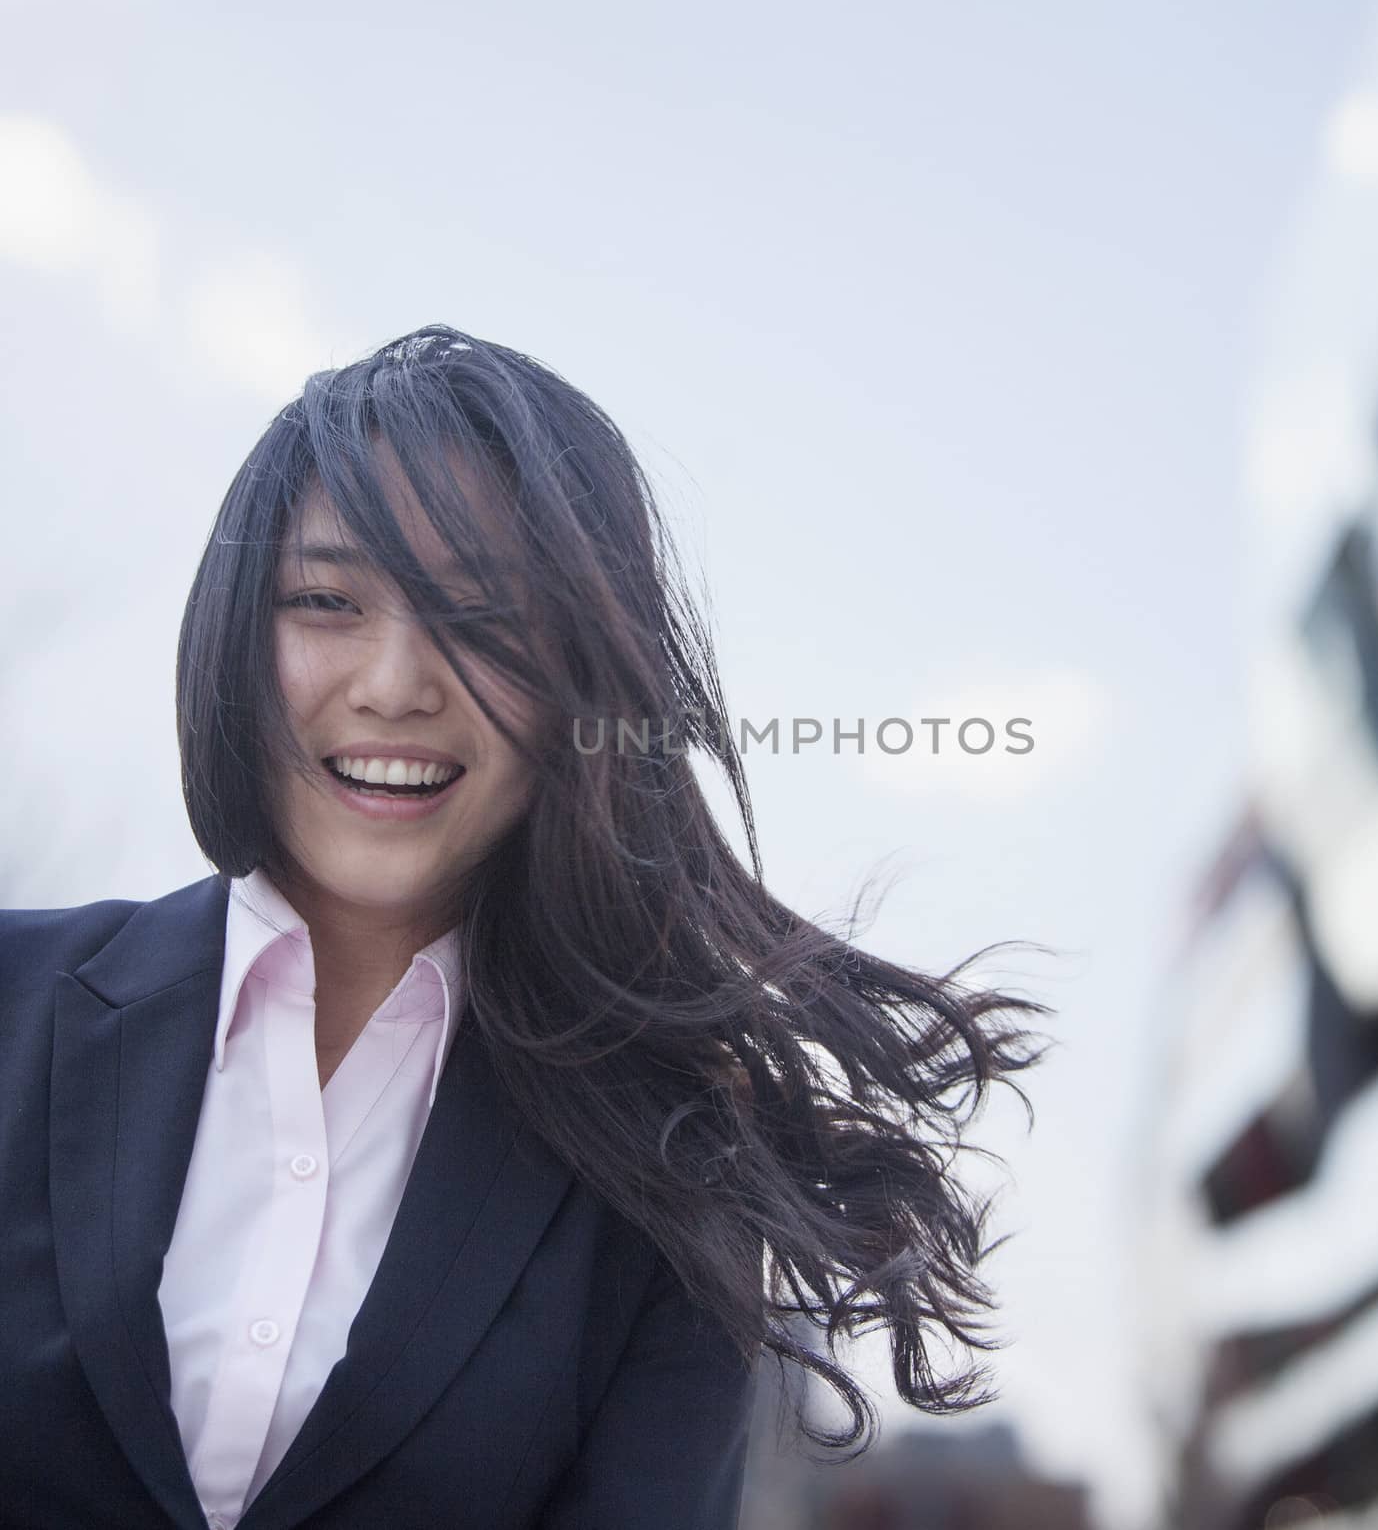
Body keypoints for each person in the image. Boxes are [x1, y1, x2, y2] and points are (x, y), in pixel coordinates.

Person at [0, 326, 1051, 1529]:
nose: (397, 682)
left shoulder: (670, 1180)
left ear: (578, 687)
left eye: (482, 618)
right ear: (238, 635)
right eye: (327, 599)